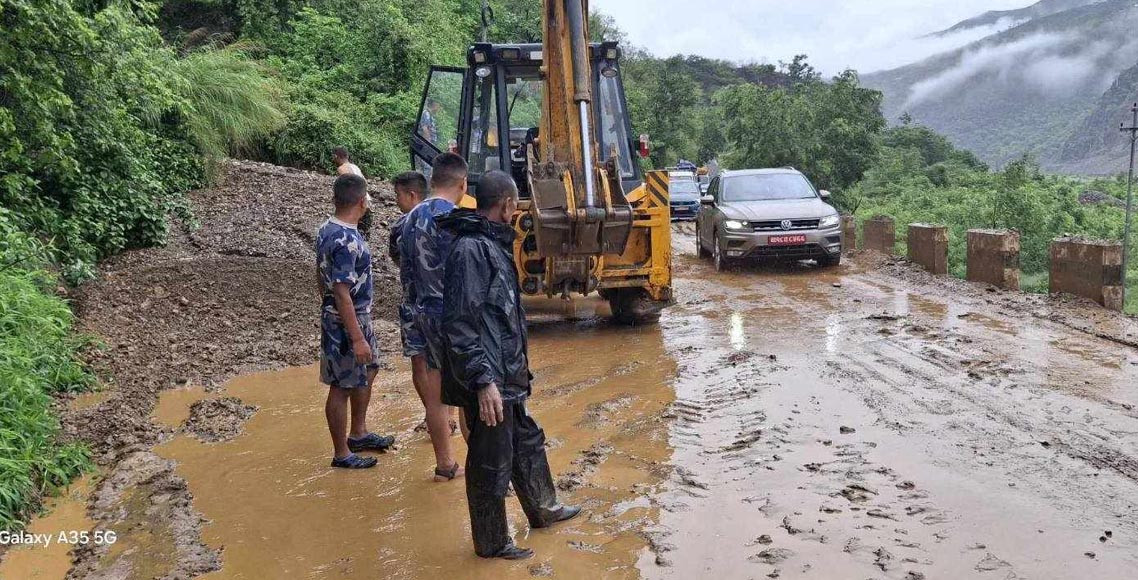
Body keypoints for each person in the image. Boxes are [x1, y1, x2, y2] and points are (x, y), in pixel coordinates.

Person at [439, 170, 581, 560]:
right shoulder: (471, 250)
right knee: (490, 460)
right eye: (515, 203)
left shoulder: (493, 244)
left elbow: (502, 317)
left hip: (507, 376)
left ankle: (544, 508)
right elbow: (459, 323)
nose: (516, 210)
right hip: (490, 379)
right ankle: (491, 543)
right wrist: (483, 380)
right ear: (505, 205)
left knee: (527, 441)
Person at [316, 174, 395, 469]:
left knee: (370, 367)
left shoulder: (328, 228)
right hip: (346, 319)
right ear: (361, 202)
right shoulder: (346, 240)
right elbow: (341, 292)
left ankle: (358, 432)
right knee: (341, 385)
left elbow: (320, 276)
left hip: (352, 315)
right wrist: (357, 337)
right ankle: (341, 454)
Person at [399, 153, 468, 481]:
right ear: (462, 184)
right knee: (469, 394)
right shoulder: (456, 220)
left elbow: (402, 263)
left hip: (418, 314)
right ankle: (480, 468)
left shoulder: (408, 219)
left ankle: (445, 465)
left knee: (435, 394)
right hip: (451, 316)